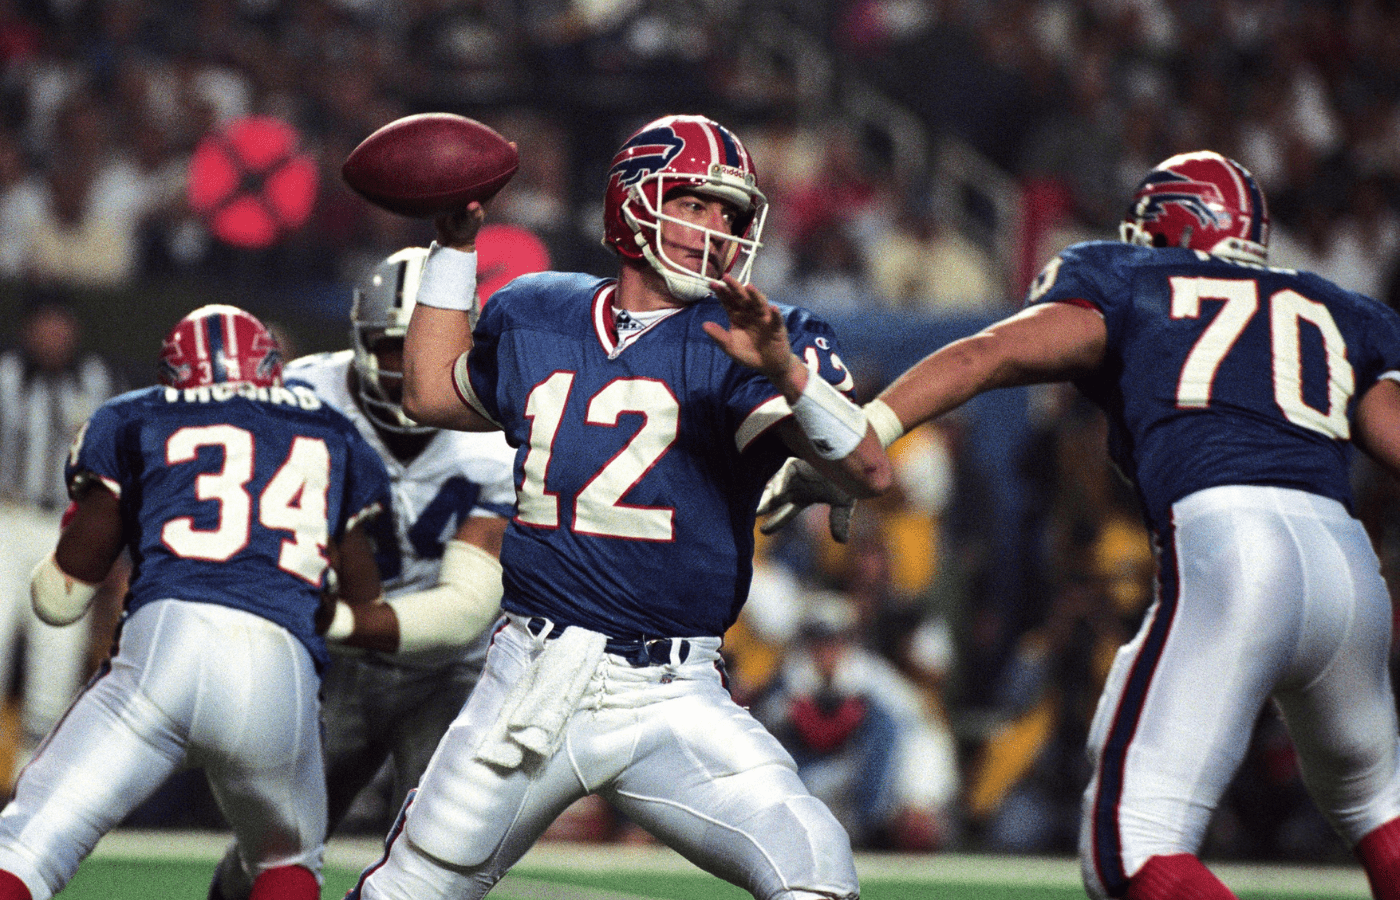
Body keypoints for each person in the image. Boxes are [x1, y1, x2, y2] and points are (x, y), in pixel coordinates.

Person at [766, 150, 1400, 900]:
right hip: (1349, 566)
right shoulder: (1339, 308)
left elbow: (989, 353)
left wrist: (860, 429)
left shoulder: (1131, 277)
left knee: (1130, 851)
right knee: (1379, 811)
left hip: (1232, 545)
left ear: (1165, 229)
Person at [347, 113, 893, 900]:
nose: (715, 230)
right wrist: (455, 247)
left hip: (670, 690)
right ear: (632, 205)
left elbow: (869, 469)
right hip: (530, 673)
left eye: (730, 215)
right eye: (695, 204)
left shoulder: (752, 335)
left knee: (815, 867)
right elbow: (431, 391)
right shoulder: (538, 309)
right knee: (409, 888)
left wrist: (786, 372)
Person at [0, 304, 396, 900]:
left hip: (165, 649)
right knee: (287, 861)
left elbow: (61, 599)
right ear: (271, 367)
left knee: (29, 847)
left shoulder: (133, 415)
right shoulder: (336, 432)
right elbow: (365, 601)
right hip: (278, 669)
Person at [208, 245, 521, 900]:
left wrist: (343, 616)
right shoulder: (297, 399)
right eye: (392, 347)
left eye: (429, 346)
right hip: (329, 661)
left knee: (445, 851)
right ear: (357, 338)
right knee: (275, 848)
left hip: (446, 667)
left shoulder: (498, 435)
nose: (411, 371)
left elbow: (465, 606)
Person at [0, 299, 117, 783]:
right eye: (43, 327)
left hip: (68, 529)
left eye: (59, 327)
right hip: (7, 520)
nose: (52, 337)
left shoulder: (98, 381)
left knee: (57, 659)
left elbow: (115, 468)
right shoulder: (5, 377)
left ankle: (32, 785)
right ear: (27, 331)